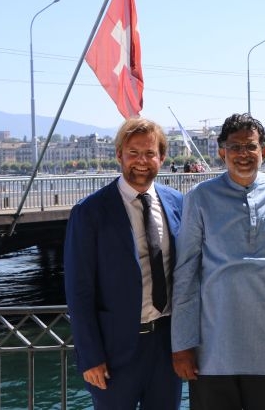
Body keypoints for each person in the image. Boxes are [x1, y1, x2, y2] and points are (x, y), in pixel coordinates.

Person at [171, 113, 265, 410]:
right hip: (214, 351)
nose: (243, 154)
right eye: (235, 147)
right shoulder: (199, 197)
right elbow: (185, 274)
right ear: (222, 152)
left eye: (251, 146)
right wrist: (182, 344)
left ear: (264, 151)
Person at [64, 117, 183, 409]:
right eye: (134, 153)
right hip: (114, 353)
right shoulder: (90, 212)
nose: (142, 161)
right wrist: (91, 357)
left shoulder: (178, 203)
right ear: (119, 155)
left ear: (162, 157)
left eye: (150, 153)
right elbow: (79, 291)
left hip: (168, 347)